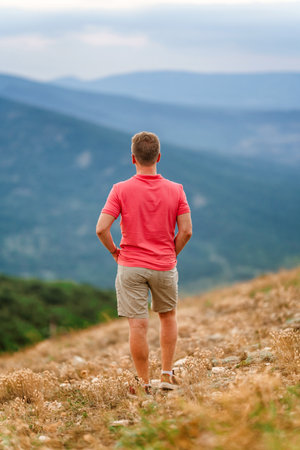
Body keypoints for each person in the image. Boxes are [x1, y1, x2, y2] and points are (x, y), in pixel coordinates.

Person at [96, 131, 192, 394]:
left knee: (137, 325)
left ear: (133, 159)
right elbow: (186, 231)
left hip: (130, 266)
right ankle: (166, 375)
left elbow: (101, 229)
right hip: (164, 264)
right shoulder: (176, 190)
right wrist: (171, 253)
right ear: (158, 157)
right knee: (168, 317)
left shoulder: (120, 190)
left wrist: (115, 252)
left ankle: (143, 384)